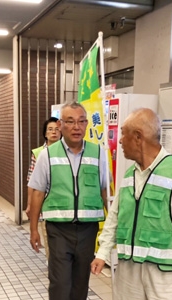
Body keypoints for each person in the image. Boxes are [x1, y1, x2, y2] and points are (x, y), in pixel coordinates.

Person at [91, 108, 172, 300]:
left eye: (123, 134)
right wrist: (102, 252)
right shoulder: (130, 175)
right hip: (129, 274)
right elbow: (115, 218)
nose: (119, 140)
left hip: (167, 278)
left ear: (138, 137)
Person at [29, 101, 108, 300]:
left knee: (81, 284)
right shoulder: (47, 155)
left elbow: (105, 191)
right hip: (58, 229)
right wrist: (33, 230)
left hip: (88, 230)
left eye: (81, 121)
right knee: (60, 284)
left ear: (87, 124)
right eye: (70, 122)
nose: (76, 127)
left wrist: (112, 228)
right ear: (61, 125)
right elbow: (37, 192)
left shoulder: (98, 154)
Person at [26, 116, 61, 260]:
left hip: (63, 205)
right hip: (45, 205)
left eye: (57, 129)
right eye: (50, 129)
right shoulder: (38, 153)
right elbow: (31, 181)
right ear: (45, 133)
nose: (54, 132)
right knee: (50, 246)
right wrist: (30, 204)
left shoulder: (67, 151)